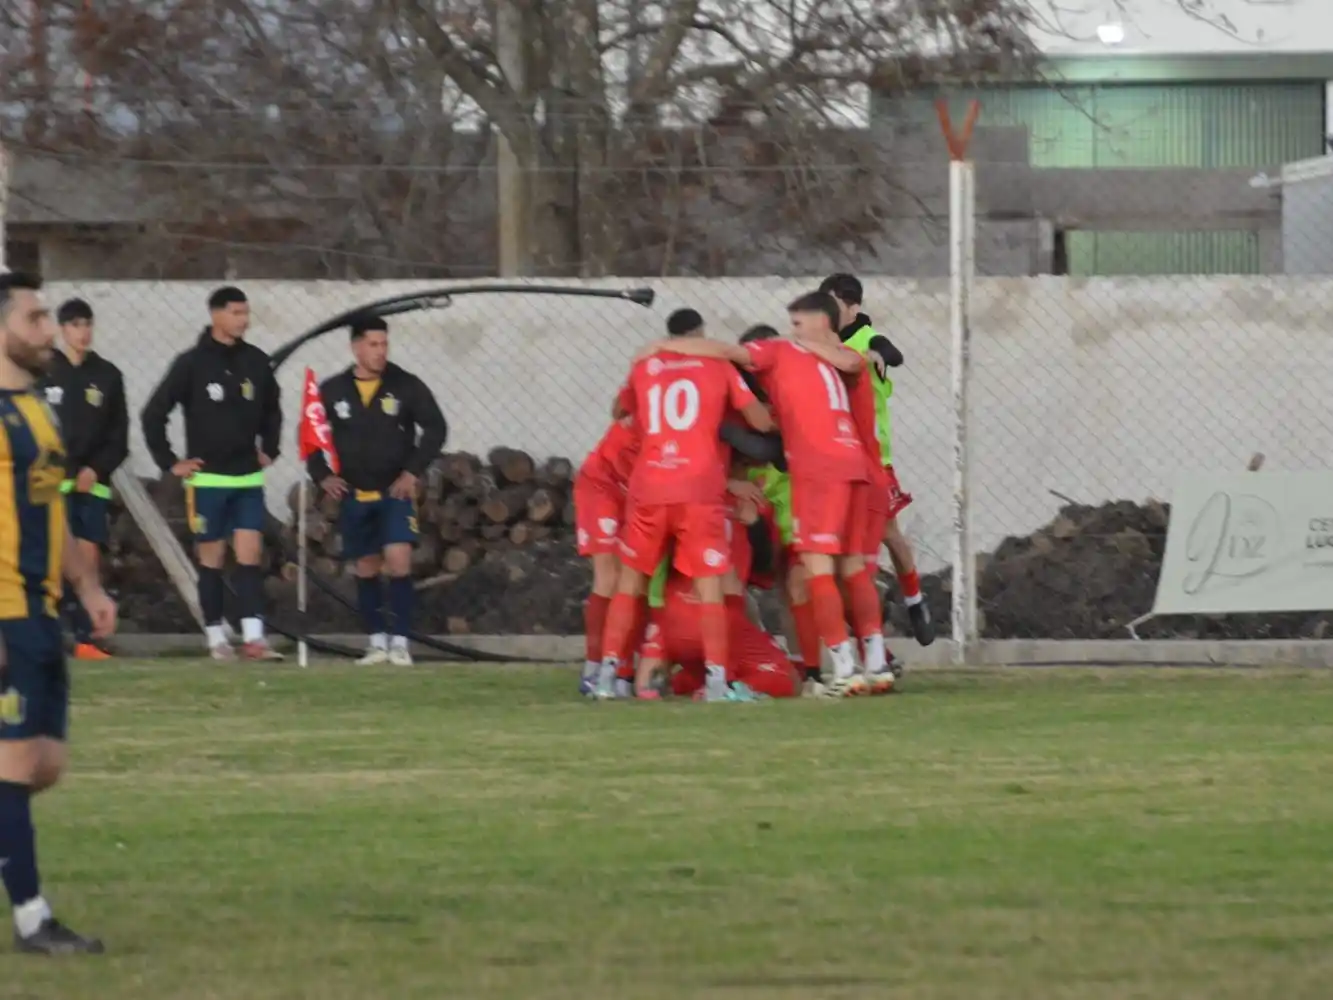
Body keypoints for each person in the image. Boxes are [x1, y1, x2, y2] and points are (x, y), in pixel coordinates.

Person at [650, 295, 872, 696]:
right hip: (838, 469)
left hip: (809, 475)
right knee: (833, 571)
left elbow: (736, 366)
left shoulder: (789, 359)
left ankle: (838, 668)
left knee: (807, 574)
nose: (793, 333)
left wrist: (668, 347)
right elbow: (858, 363)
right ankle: (856, 665)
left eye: (798, 325)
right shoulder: (830, 359)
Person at [0, 272, 116, 954]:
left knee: (45, 764)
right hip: (6, 613)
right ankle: (33, 920)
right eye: (37, 318)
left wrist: (90, 586)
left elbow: (51, 510)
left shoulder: (41, 410)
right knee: (14, 764)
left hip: (44, 612)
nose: (49, 330)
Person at [595, 308, 773, 700]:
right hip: (698, 486)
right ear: (702, 333)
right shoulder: (718, 364)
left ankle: (607, 677)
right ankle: (715, 681)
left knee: (631, 580)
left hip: (651, 483)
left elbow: (619, 410)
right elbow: (760, 422)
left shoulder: (647, 364)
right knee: (710, 583)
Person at [141, 286, 283, 661]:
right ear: (215, 315)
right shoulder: (191, 363)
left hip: (247, 479)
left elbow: (273, 409)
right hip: (208, 482)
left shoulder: (257, 361)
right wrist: (170, 461)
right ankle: (216, 636)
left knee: (250, 554)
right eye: (236, 312)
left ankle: (254, 637)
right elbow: (153, 413)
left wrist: (271, 447)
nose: (243, 320)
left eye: (246, 313)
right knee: (212, 558)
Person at [307, 315, 447, 666]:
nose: (380, 351)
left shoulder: (405, 385)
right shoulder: (333, 390)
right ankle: (376, 642)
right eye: (373, 344)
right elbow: (310, 436)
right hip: (355, 496)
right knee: (367, 567)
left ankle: (400, 642)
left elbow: (435, 428)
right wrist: (321, 474)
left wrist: (412, 472)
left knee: (399, 562)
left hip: (394, 495)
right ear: (355, 347)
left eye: (384, 344)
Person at [819, 273, 934, 647]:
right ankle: (866, 640)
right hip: (833, 459)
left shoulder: (867, 339)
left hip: (872, 459)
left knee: (888, 534)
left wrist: (877, 355)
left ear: (853, 307)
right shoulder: (819, 344)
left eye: (833, 302)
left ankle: (915, 600)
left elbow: (893, 354)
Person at [636, 494, 800, 701]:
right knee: (788, 678)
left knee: (646, 686)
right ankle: (722, 686)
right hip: (718, 619)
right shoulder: (748, 503)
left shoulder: (672, 500)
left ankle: (656, 682)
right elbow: (764, 566)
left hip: (668, 616)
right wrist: (756, 525)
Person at [38, 298, 127, 661]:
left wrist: (95, 469)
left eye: (87, 324)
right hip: (49, 485)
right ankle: (52, 633)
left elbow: (118, 437)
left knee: (87, 560)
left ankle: (87, 637)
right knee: (50, 560)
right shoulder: (43, 374)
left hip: (92, 484)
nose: (83, 332)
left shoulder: (107, 375)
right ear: (62, 330)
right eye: (75, 325)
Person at [573, 413, 638, 695]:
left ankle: (623, 671)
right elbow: (619, 407)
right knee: (609, 576)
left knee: (634, 576)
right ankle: (595, 667)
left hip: (641, 490)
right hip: (603, 483)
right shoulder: (650, 381)